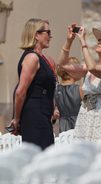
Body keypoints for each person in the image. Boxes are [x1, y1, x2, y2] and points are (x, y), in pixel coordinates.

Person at [58, 24, 101, 142]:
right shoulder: (90, 67)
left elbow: (92, 68)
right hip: (85, 113)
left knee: (100, 150)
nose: (98, 42)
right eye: (98, 40)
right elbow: (63, 65)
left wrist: (83, 42)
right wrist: (69, 40)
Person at [9, 18, 56, 150]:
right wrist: (16, 118)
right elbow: (20, 91)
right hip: (35, 115)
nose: (50, 36)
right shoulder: (32, 58)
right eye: (48, 32)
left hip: (42, 114)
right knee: (39, 155)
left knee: (45, 154)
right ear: (36, 35)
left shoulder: (42, 59)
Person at [54, 57, 82, 132]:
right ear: (72, 71)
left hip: (62, 126)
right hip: (78, 125)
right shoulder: (80, 89)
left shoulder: (56, 89)